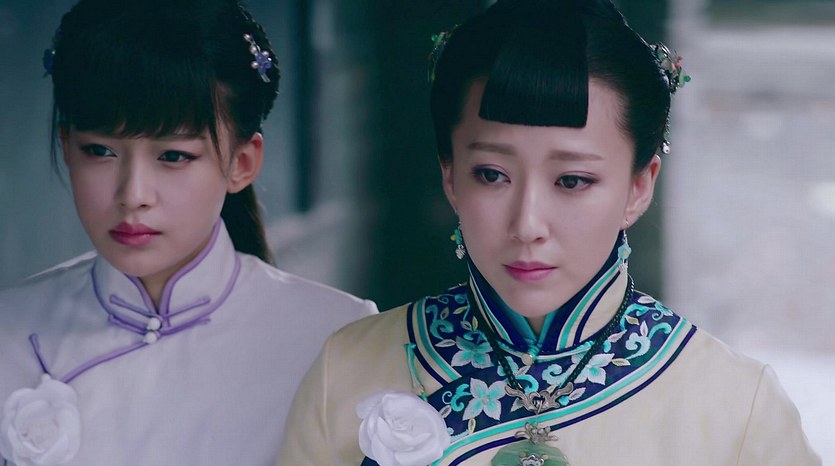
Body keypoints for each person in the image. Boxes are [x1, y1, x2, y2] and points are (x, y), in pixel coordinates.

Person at [277, 1, 820, 465]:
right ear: (449, 176)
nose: (527, 225)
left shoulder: (737, 409)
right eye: (492, 175)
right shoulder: (346, 370)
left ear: (639, 186)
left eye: (572, 180)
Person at [0, 0, 376, 464]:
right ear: (66, 147)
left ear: (242, 163)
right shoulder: (9, 330)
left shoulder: (336, 336)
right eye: (99, 150)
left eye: (174, 156)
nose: (133, 195)